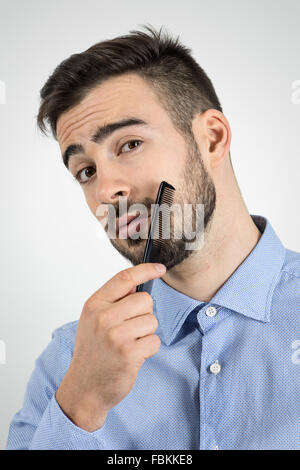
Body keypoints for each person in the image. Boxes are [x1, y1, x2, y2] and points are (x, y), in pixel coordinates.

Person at [6, 25, 300, 450]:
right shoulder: (69, 364)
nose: (106, 191)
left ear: (212, 138)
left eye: (128, 145)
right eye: (86, 171)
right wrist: (81, 406)